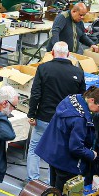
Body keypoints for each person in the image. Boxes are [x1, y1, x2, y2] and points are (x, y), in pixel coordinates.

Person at [35, 87, 99, 188]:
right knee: (65, 193)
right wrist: (91, 154)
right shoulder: (80, 119)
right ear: (92, 100)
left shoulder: (70, 99)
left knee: (54, 189)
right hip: (67, 163)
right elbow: (76, 148)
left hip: (54, 153)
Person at [26, 42, 86, 180]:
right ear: (68, 54)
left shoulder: (43, 68)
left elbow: (36, 94)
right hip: (65, 121)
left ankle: (33, 180)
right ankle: (50, 183)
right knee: (55, 152)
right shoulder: (78, 72)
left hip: (44, 117)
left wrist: (32, 114)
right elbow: (81, 99)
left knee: (35, 149)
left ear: (52, 53)